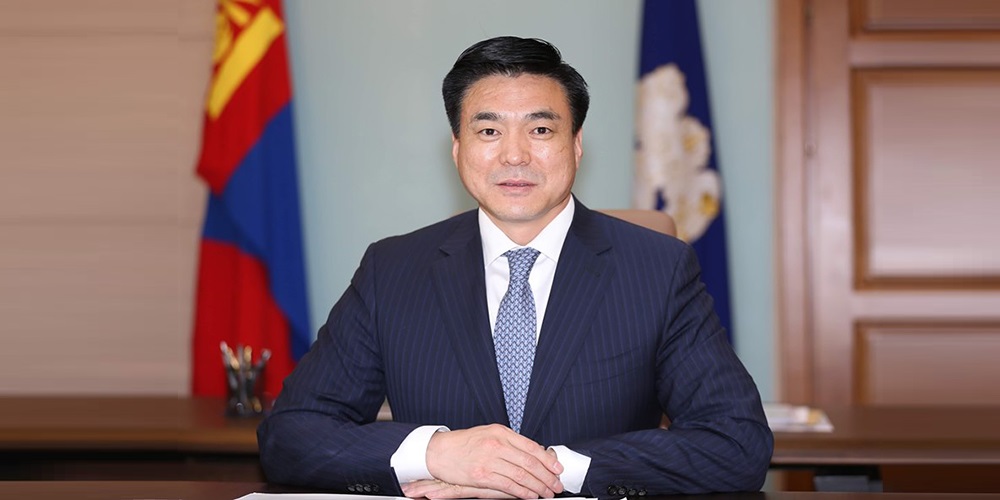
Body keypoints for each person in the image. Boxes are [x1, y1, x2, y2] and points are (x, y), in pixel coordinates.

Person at [257, 36, 772, 498]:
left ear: (576, 145)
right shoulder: (392, 270)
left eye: (541, 129)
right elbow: (290, 434)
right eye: (488, 131)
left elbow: (736, 443)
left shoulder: (658, 269)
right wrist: (438, 453)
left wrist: (547, 470)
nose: (514, 155)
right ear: (457, 149)